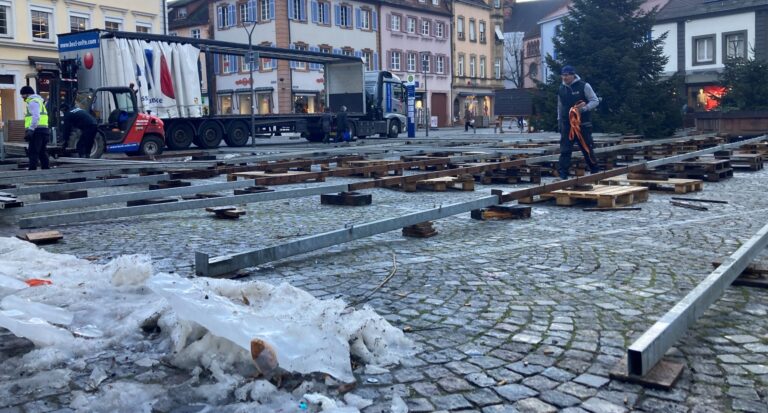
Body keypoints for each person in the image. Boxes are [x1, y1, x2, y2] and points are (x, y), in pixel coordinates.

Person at [557, 65, 600, 180]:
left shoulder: (584, 86)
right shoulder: (561, 88)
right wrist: (559, 121)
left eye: (567, 75)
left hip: (582, 124)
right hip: (567, 125)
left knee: (587, 148)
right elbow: (560, 106)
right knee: (565, 150)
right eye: (563, 75)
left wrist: (584, 108)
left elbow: (595, 101)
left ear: (572, 75)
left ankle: (595, 172)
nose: (565, 78)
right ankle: (563, 174)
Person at [20, 86, 50, 170]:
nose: (23, 98)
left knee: (33, 151)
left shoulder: (33, 102)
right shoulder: (40, 101)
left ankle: (32, 170)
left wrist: (31, 129)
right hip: (44, 130)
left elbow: (36, 116)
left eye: (23, 96)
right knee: (42, 151)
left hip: (37, 131)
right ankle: (46, 169)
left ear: (27, 94)